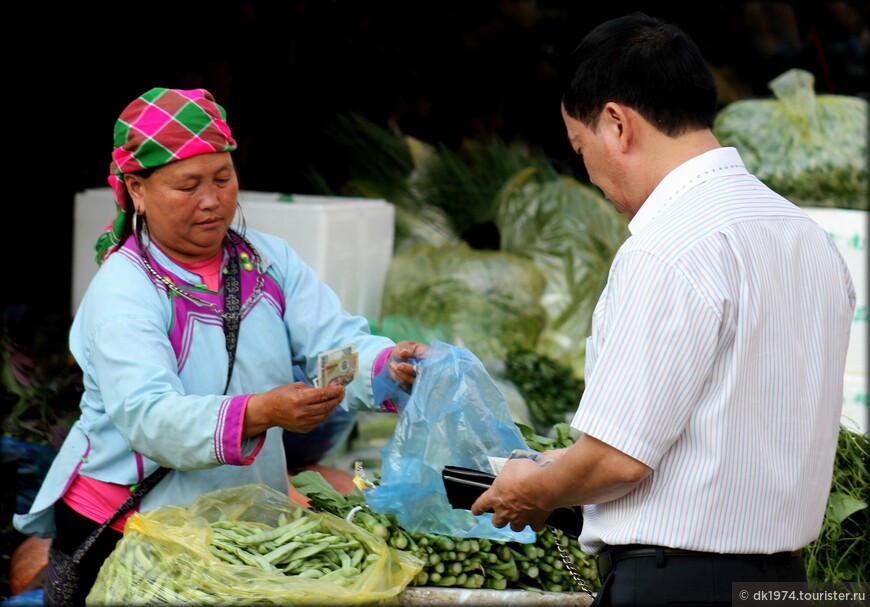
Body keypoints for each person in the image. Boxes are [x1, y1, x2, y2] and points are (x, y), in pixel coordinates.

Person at [472, 12, 856, 607]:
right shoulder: (804, 237)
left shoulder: (667, 247)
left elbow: (619, 460)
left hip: (678, 584)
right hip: (783, 584)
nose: (590, 176)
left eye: (581, 148)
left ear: (617, 124)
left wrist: (537, 489)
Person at [13, 87, 428, 605]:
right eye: (187, 185)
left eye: (223, 178)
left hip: (233, 523)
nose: (211, 200)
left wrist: (387, 364)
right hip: (130, 527)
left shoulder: (269, 262)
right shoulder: (125, 290)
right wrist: (261, 411)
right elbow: (150, 416)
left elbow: (331, 349)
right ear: (136, 190)